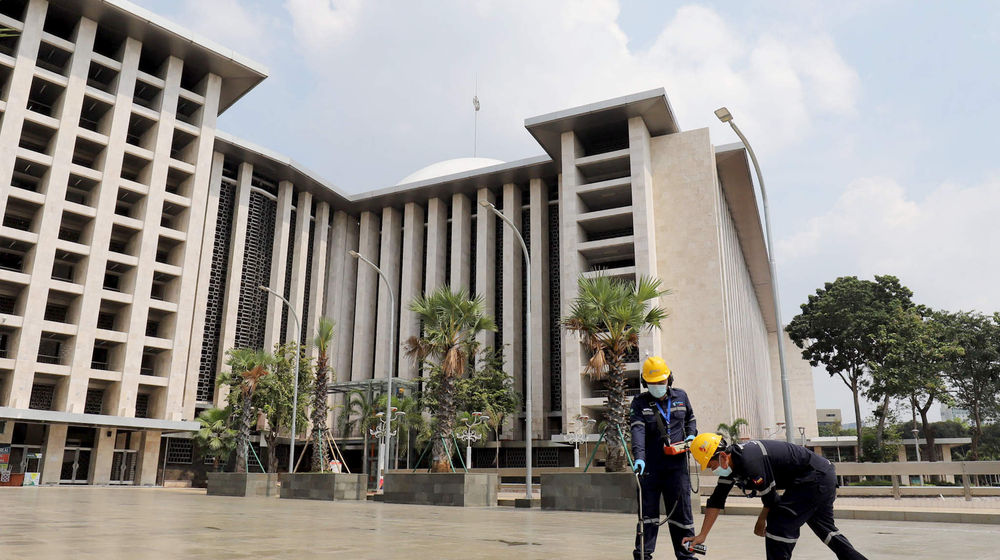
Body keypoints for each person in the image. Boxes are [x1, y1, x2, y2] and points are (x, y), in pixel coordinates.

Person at [684, 433, 870, 560]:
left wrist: (760, 522)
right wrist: (702, 535)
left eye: (711, 465)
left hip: (814, 478)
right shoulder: (731, 466)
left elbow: (772, 500)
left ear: (723, 456)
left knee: (779, 523)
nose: (712, 470)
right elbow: (716, 500)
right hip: (820, 475)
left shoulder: (750, 461)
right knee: (826, 530)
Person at [630, 356, 698, 560]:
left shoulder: (682, 396)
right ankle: (643, 555)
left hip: (677, 467)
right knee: (648, 516)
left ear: (670, 379)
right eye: (653, 383)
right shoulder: (639, 403)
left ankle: (688, 555)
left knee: (683, 514)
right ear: (645, 383)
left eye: (662, 381)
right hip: (650, 468)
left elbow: (691, 420)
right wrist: (639, 457)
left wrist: (691, 436)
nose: (658, 386)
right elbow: (638, 432)